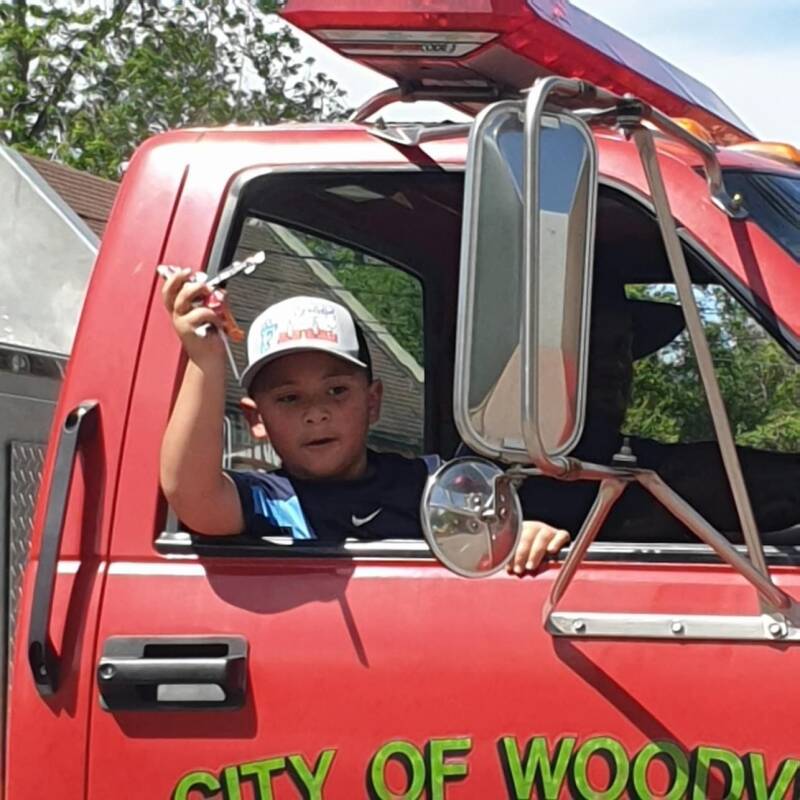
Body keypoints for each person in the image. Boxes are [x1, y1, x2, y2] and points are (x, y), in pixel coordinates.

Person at [160, 270, 570, 574]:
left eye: (337, 391)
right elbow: (190, 494)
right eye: (288, 398)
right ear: (257, 419)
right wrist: (205, 360)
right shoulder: (268, 500)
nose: (316, 413)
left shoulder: (430, 485)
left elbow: (489, 537)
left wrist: (523, 537)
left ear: (373, 402)